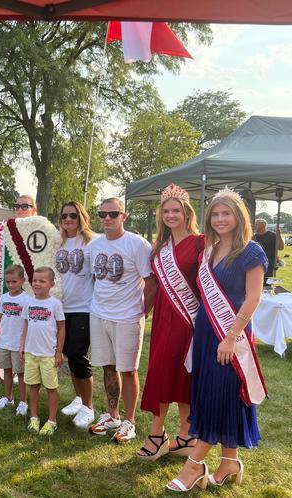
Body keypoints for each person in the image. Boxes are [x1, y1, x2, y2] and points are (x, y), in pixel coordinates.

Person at [167, 188, 267, 492]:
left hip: (230, 334)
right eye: (216, 214)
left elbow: (253, 298)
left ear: (239, 217)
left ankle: (193, 466)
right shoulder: (210, 249)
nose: (221, 219)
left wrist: (231, 335)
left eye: (227, 213)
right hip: (207, 333)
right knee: (218, 393)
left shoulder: (251, 251)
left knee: (220, 393)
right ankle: (229, 461)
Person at [138, 184, 204, 460]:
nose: (171, 215)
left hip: (188, 318)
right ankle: (166, 433)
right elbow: (152, 286)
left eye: (176, 210)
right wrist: (143, 311)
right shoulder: (161, 246)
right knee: (162, 369)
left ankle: (178, 436)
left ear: (187, 212)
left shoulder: (201, 242)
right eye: (166, 211)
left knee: (181, 373)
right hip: (165, 315)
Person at [88, 197, 155, 443]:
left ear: (124, 216)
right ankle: (113, 415)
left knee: (127, 369)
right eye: (102, 213)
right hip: (99, 314)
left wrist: (141, 311)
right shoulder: (95, 245)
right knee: (107, 365)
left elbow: (151, 282)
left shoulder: (137, 244)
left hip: (127, 317)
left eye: (113, 214)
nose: (107, 218)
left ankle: (130, 421)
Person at [56, 201, 96, 430]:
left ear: (81, 217)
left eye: (73, 215)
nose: (68, 219)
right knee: (69, 355)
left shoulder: (92, 241)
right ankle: (79, 399)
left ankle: (89, 407)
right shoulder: (58, 242)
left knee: (79, 356)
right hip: (62, 307)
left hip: (84, 307)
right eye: (64, 216)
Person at [19, 267, 65, 436]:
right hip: (31, 353)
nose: (37, 283)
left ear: (51, 284)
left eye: (42, 281)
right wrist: (22, 345)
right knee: (33, 386)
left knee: (51, 388)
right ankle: (34, 417)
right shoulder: (29, 302)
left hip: (48, 355)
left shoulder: (55, 304)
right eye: (35, 280)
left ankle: (52, 420)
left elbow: (61, 329)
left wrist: (58, 353)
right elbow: (25, 324)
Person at [0, 265, 29, 416]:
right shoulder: (4, 297)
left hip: (18, 344)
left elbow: (28, 322)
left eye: (14, 281)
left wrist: (23, 343)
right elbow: (0, 317)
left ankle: (23, 401)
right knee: (6, 371)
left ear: (22, 280)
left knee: (20, 373)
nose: (11, 285)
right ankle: (8, 398)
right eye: (8, 282)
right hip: (4, 341)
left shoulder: (27, 299)